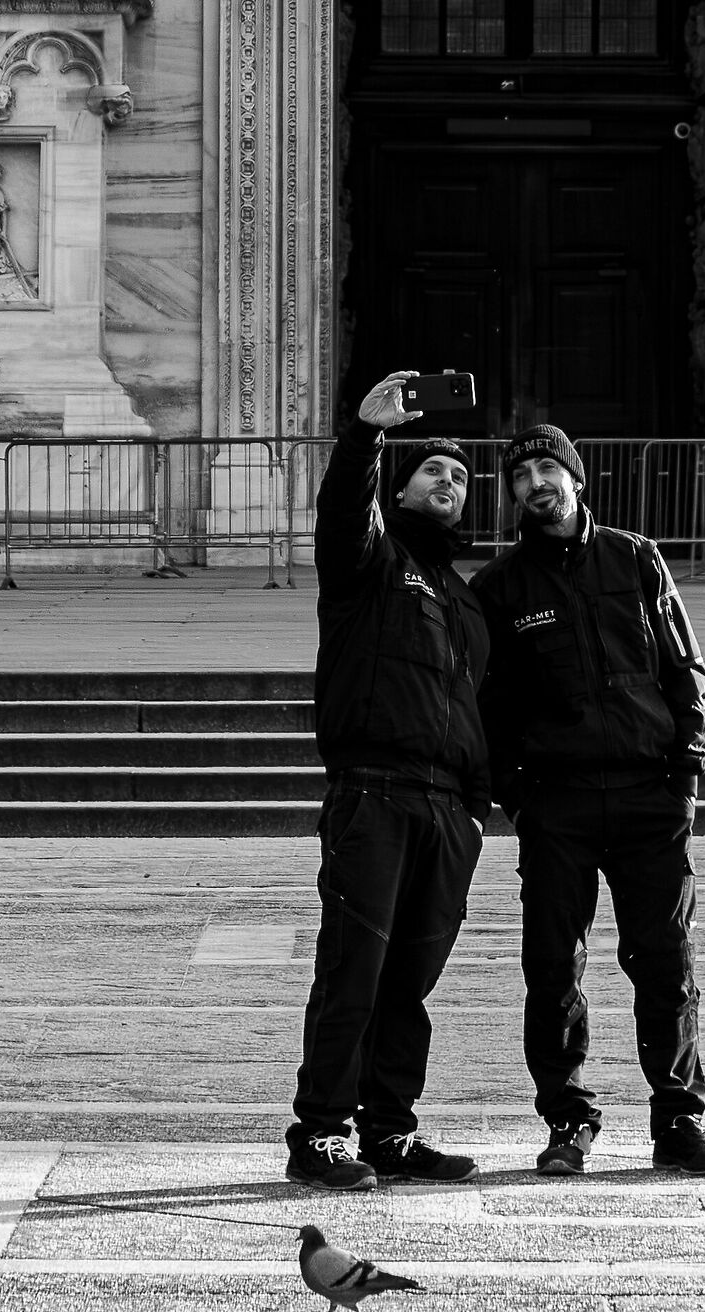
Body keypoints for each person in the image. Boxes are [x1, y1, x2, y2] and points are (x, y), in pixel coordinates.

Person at [474, 423, 705, 1180]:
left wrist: (688, 770)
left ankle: (678, 1121)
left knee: (665, 963)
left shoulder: (636, 557)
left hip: (651, 795)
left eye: (548, 469)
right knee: (553, 968)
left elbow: (685, 668)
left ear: (577, 479)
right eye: (520, 479)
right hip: (559, 804)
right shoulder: (500, 588)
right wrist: (518, 797)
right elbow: (489, 708)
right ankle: (567, 1119)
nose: (534, 486)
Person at [287, 370, 489, 1192]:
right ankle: (321, 1134)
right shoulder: (369, 563)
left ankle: (390, 1132)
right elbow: (343, 515)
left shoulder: (469, 601)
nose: (449, 481)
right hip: (374, 790)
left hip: (448, 809)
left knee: (409, 984)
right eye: (434, 470)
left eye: (462, 477)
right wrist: (365, 436)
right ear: (401, 490)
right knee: (354, 974)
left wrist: (478, 806)